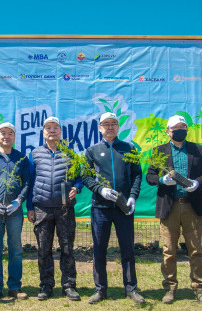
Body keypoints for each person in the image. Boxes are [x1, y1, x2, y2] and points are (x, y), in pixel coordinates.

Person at [146, 115, 202, 305]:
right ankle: (169, 287)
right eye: (175, 127)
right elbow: (150, 176)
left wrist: (197, 183)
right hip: (170, 205)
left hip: (191, 205)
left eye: (183, 126)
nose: (180, 129)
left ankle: (199, 287)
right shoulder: (159, 151)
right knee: (169, 250)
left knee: (196, 249)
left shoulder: (197, 149)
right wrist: (162, 180)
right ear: (168, 131)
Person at [82, 112, 145, 305]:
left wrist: (133, 197)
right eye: (106, 124)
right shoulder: (91, 151)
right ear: (99, 128)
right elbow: (86, 177)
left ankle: (131, 288)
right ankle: (101, 289)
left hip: (123, 207)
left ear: (118, 127)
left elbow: (136, 175)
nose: (110, 127)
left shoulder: (129, 148)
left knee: (127, 249)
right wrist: (100, 190)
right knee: (99, 249)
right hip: (100, 207)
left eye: (114, 124)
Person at [26, 116, 82, 301]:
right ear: (43, 132)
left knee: (67, 248)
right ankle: (46, 285)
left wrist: (77, 187)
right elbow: (29, 181)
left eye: (55, 128)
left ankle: (69, 285)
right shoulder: (34, 154)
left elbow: (80, 177)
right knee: (43, 249)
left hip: (65, 208)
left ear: (60, 132)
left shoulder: (70, 154)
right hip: (42, 208)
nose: (52, 130)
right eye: (48, 128)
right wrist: (30, 207)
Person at [0, 122, 30, 302]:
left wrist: (19, 201)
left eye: (10, 133)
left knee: (16, 249)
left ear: (14, 137)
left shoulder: (21, 158)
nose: (6, 136)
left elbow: (26, 183)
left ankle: (15, 287)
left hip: (14, 212)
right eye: (3, 133)